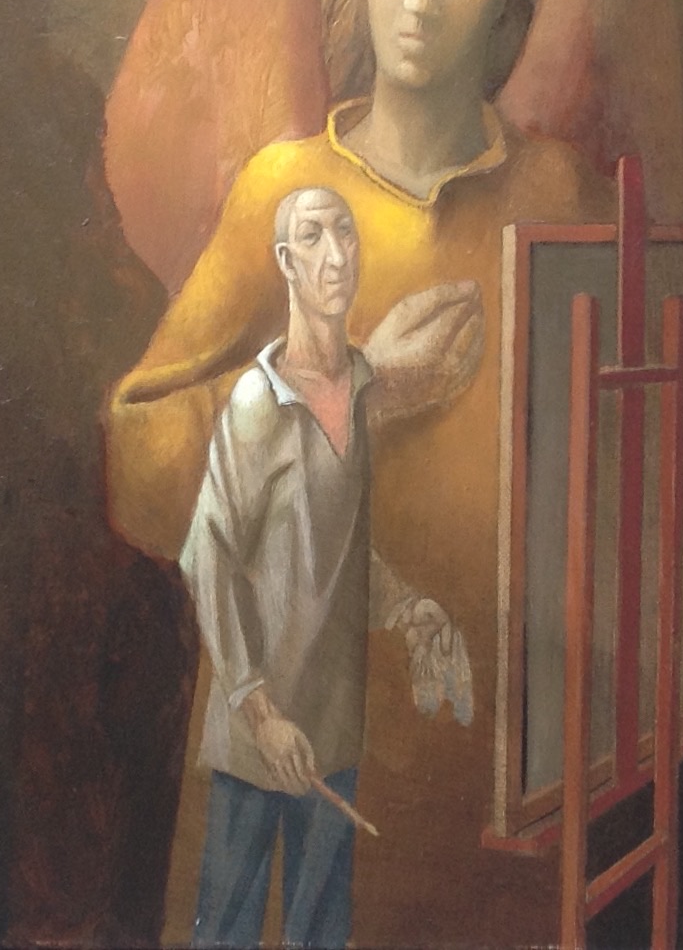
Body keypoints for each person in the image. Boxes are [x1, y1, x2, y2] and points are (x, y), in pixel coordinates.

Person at [105, 0, 615, 946]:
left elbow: (620, 489)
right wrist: (359, 388)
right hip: (290, 739)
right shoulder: (281, 193)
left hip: (496, 781)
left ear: (507, 9)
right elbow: (141, 464)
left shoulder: (560, 198)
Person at [180, 185, 469, 948]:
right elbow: (208, 555)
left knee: (320, 936)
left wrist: (409, 606)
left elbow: (330, 548)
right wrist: (260, 712)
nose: (336, 255)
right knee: (228, 934)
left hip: (333, 738)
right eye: (312, 237)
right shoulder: (257, 402)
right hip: (259, 741)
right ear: (285, 261)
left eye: (346, 233)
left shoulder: (360, 388)